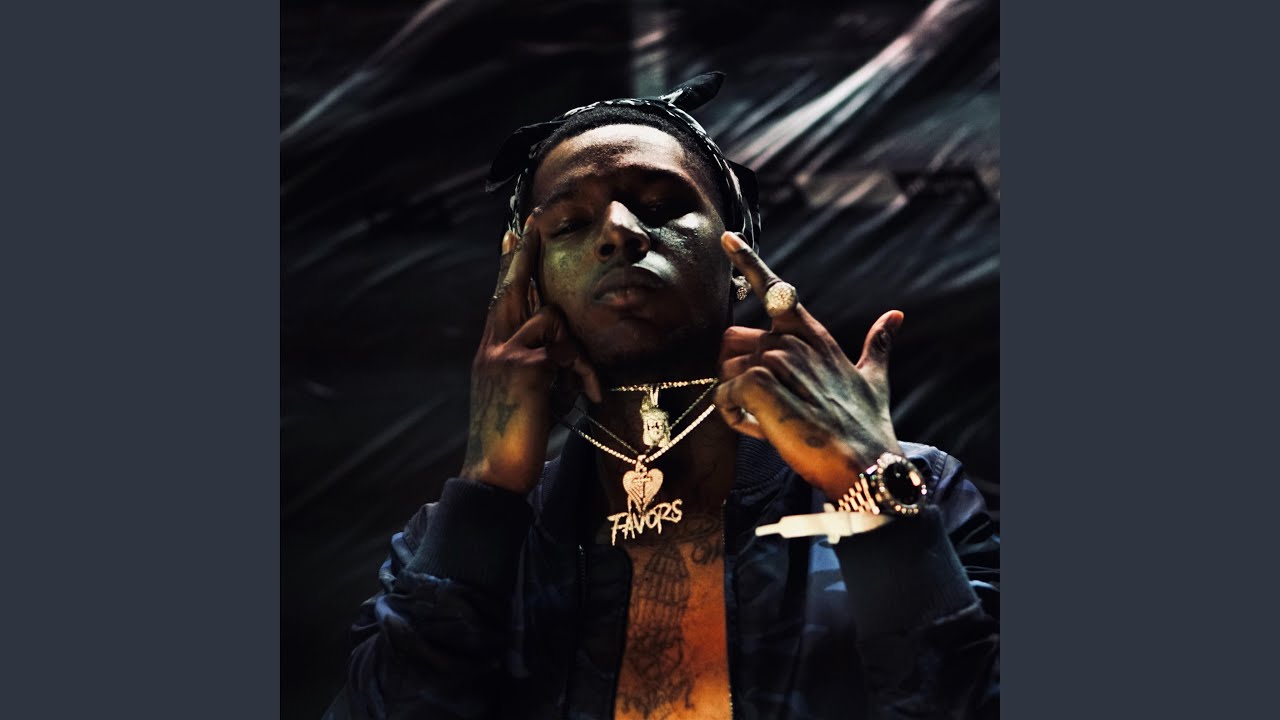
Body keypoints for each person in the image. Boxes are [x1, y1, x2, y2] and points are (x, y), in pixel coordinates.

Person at [323, 72, 999, 720]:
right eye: (569, 224)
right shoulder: (452, 542)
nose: (618, 231)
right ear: (528, 281)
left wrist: (869, 481)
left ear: (738, 256)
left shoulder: (920, 489)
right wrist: (487, 486)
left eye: (660, 206)